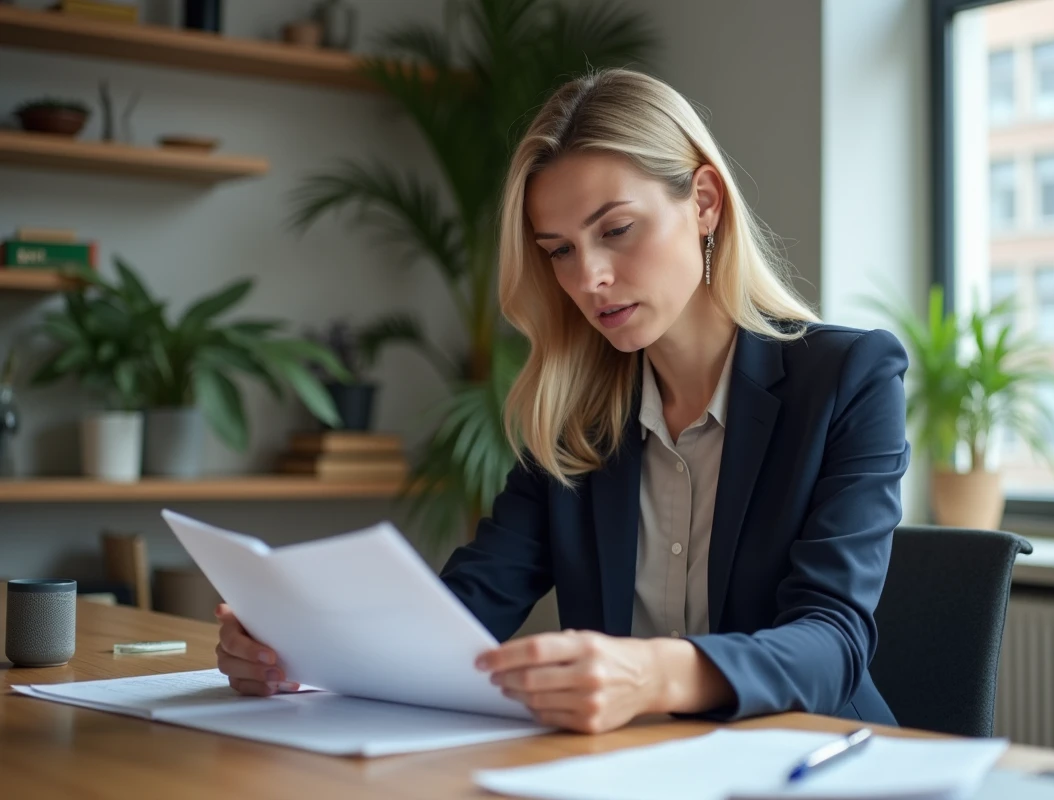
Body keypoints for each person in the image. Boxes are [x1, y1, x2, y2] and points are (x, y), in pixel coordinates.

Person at [214, 68, 911, 734]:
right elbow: (466, 611)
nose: (590, 279)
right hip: (631, 768)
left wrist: (655, 673)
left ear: (703, 201)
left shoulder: (849, 377)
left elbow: (832, 641)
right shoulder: (577, 415)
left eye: (615, 230)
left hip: (813, 762)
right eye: (559, 250)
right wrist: (301, 651)